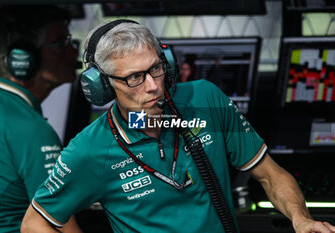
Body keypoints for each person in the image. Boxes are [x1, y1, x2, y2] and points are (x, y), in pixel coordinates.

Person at [21, 20, 335, 233]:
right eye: (134, 77)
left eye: (156, 68)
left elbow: (270, 174)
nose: (153, 86)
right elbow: (35, 222)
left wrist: (300, 219)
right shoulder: (90, 149)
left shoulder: (206, 100)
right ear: (102, 87)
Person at [0, 6, 82, 232]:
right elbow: (64, 228)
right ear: (23, 59)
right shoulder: (33, 130)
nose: (72, 51)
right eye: (61, 43)